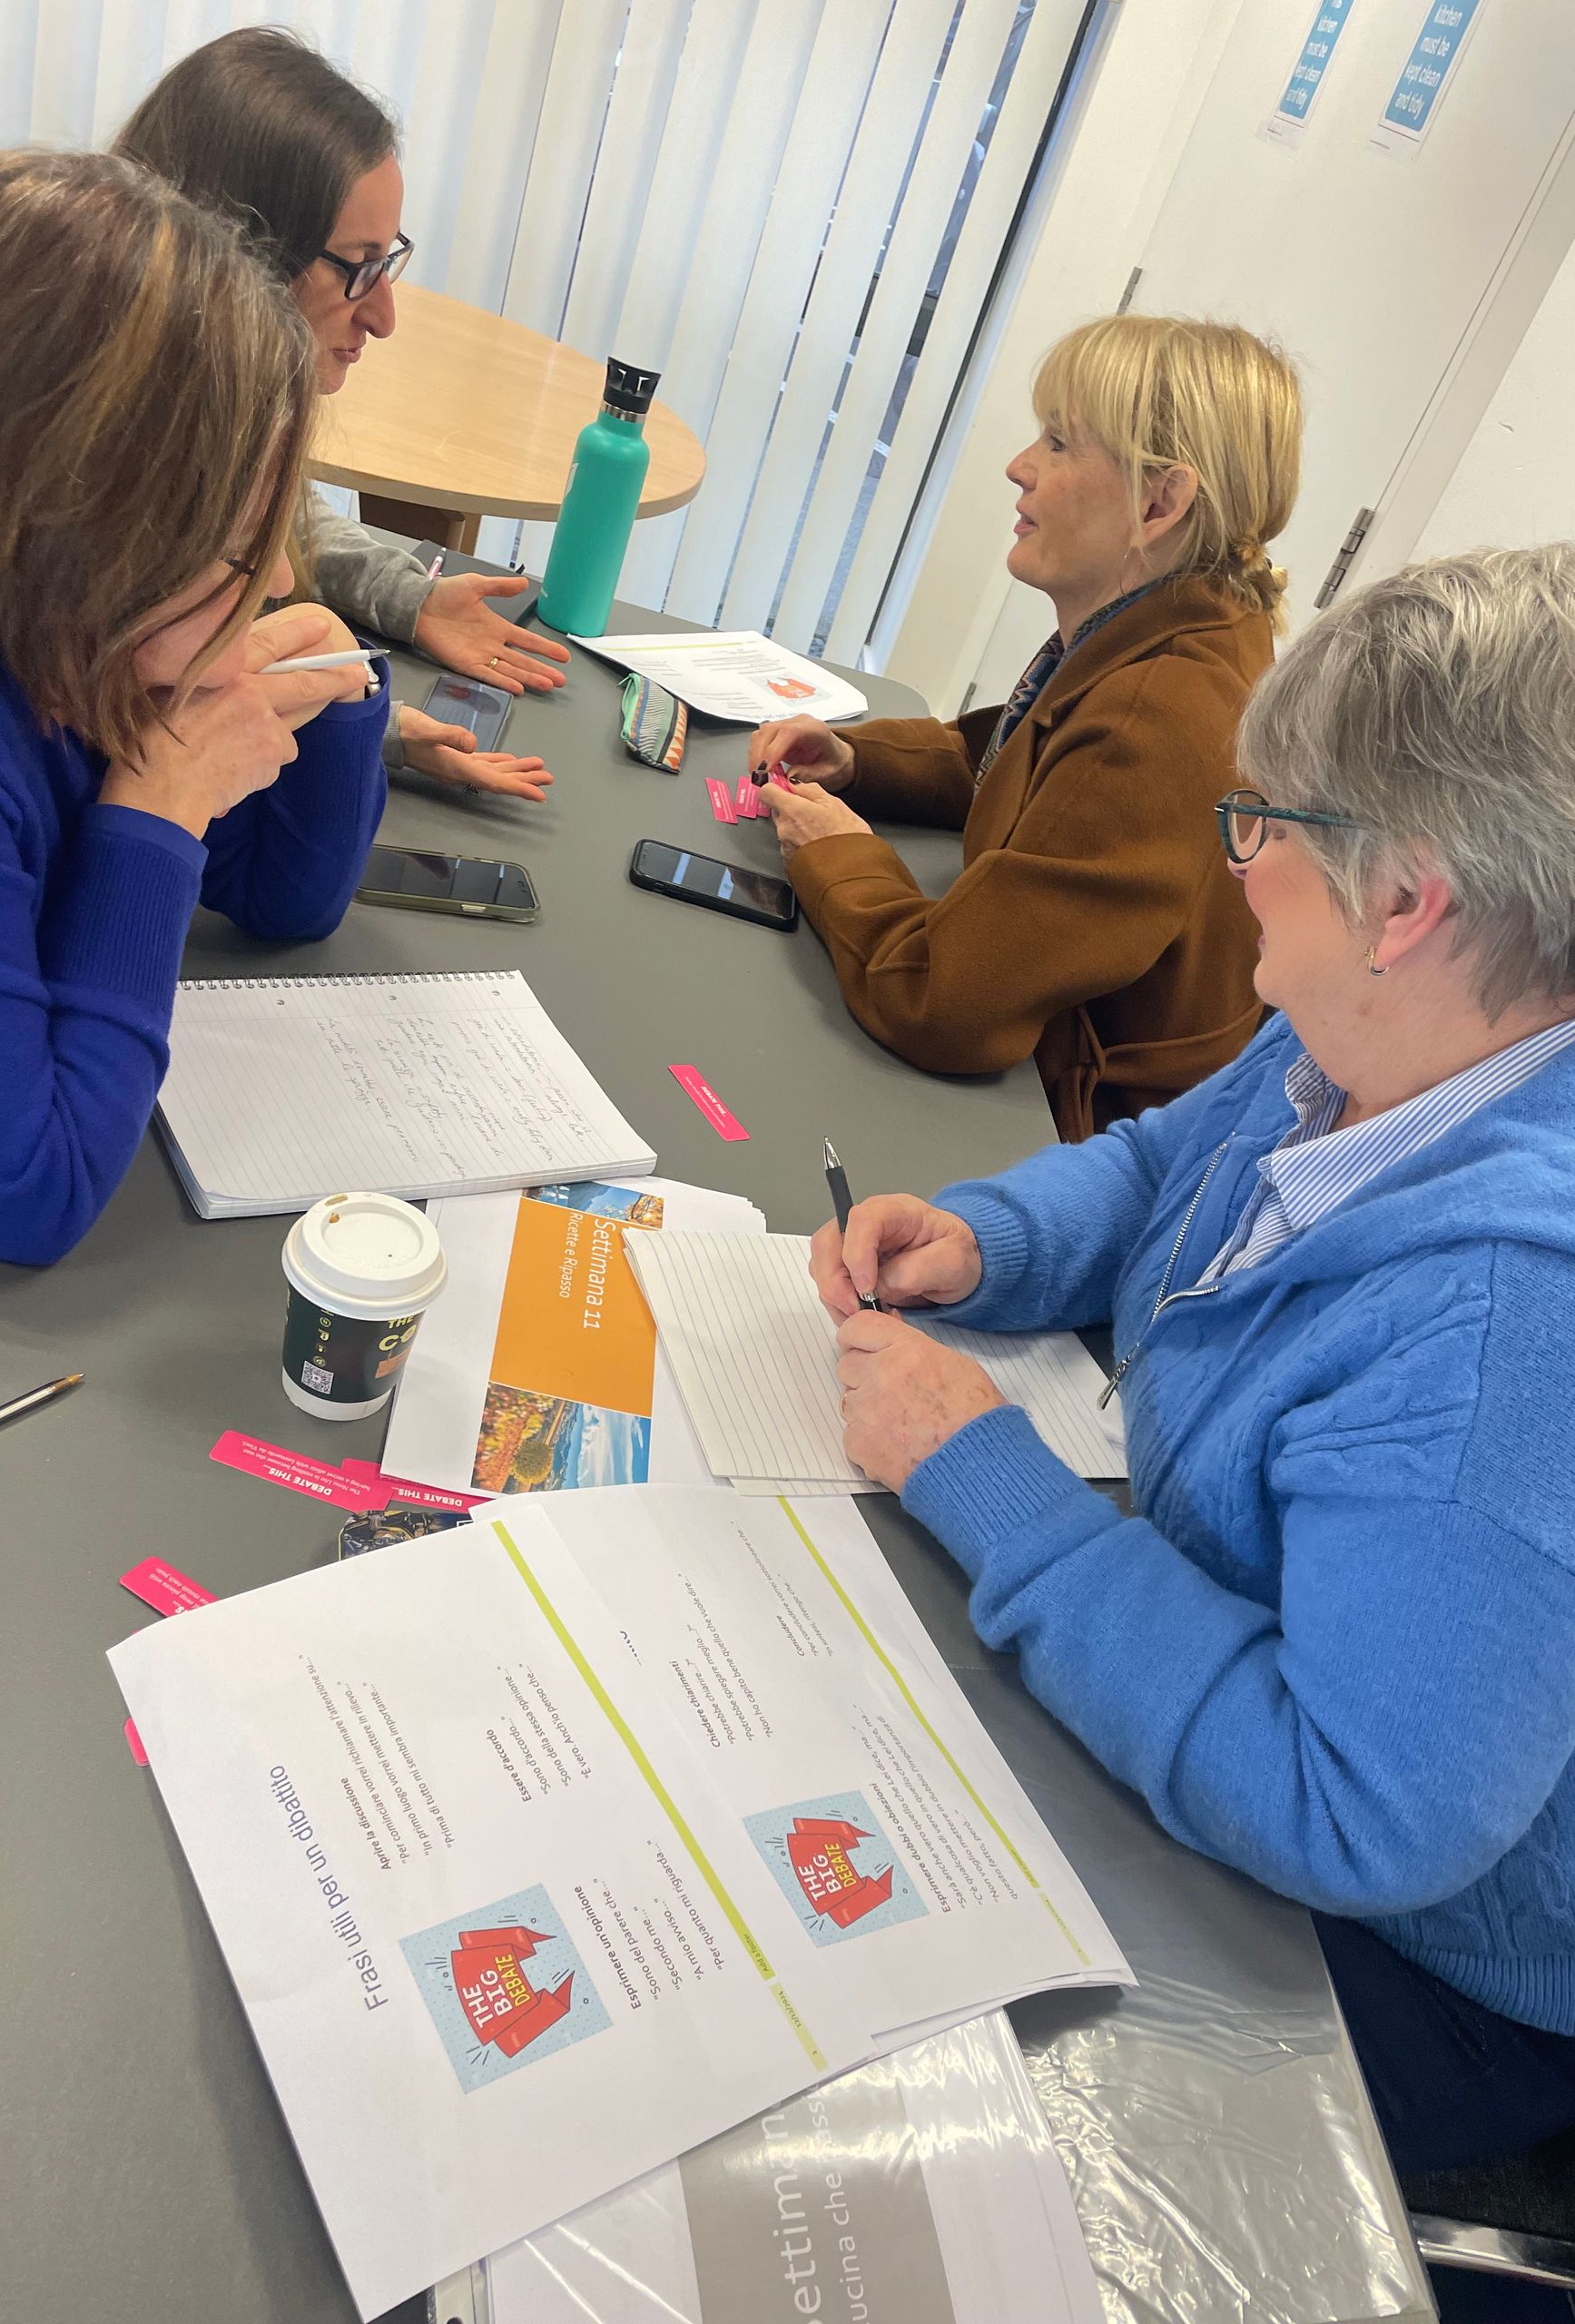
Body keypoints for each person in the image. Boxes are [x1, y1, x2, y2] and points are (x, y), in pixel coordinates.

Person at [811, 547, 1575, 2303]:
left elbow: (1353, 1803)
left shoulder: (1511, 1320)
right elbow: (1174, 1161)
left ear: (1407, 900)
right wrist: (995, 1239)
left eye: (1259, 825)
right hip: (1256, 1680)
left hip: (1406, 1945)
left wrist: (976, 1476)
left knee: (891, 2090)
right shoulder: (1386, 1029)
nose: (1232, 862)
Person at [0, 150, 390, 1270]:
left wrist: (331, 702)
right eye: (241, 548)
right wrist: (160, 814)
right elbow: (30, 1189)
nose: (278, 581)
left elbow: (281, 901)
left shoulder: (62, 635)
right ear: (81, 531)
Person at [749, 315, 1302, 1137]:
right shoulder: (1183, 630)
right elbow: (1018, 758)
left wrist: (834, 852)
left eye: (1058, 443)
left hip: (1059, 1136)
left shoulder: (1153, 717)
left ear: (1160, 501)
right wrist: (860, 763)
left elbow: (942, 1002)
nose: (1019, 467)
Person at [114, 28, 566, 806]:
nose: (384, 317)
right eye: (360, 266)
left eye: (389, 260)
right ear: (239, 253)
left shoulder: (200, 424)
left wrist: (410, 601)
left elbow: (284, 522)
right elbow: (148, 733)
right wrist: (369, 723)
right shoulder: (110, 510)